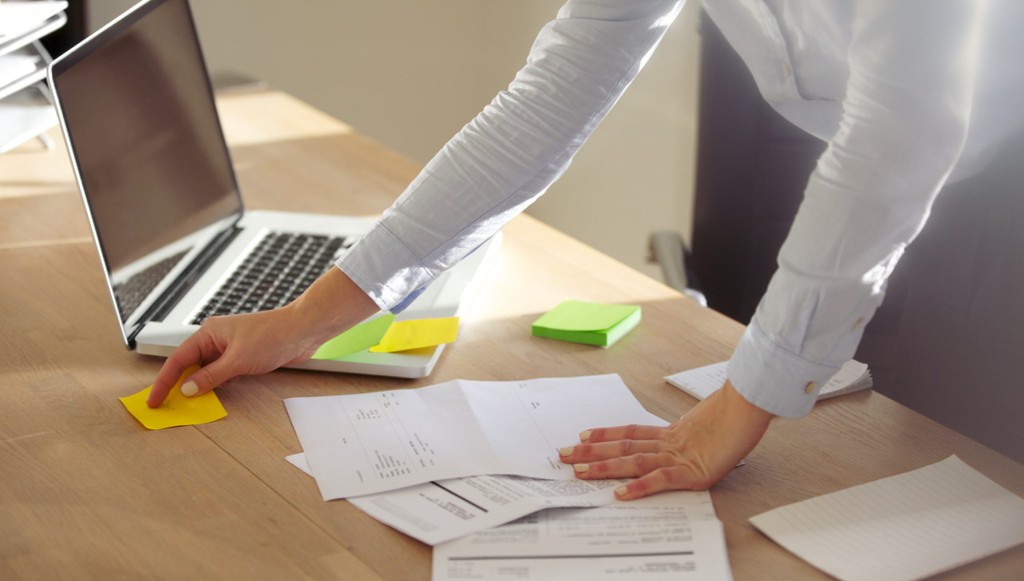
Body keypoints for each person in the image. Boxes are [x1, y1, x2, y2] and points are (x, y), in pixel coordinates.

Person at [147, 1, 1022, 499]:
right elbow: (557, 89)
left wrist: (742, 402)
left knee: (974, 505)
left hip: (1000, 190)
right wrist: (310, 317)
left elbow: (901, 139)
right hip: (859, 159)